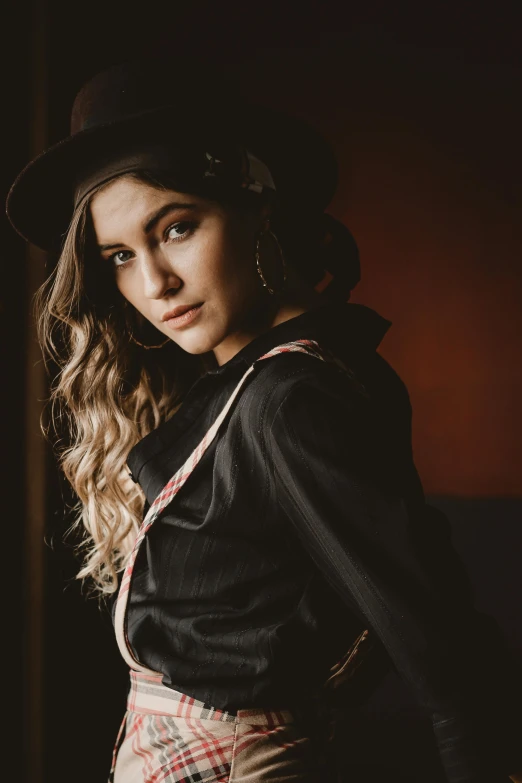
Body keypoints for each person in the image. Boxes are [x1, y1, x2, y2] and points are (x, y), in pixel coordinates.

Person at [7, 57, 522, 783]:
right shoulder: (247, 383)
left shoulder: (292, 399)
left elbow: (436, 637)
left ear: (259, 206)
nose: (153, 284)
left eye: (178, 227)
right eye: (121, 256)